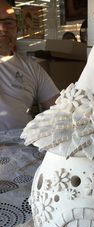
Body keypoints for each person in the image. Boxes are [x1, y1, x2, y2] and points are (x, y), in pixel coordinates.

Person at [0, 0, 60, 130]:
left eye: (8, 23)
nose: (2, 28)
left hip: (22, 145)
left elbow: (59, 109)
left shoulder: (31, 68)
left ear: (17, 28)